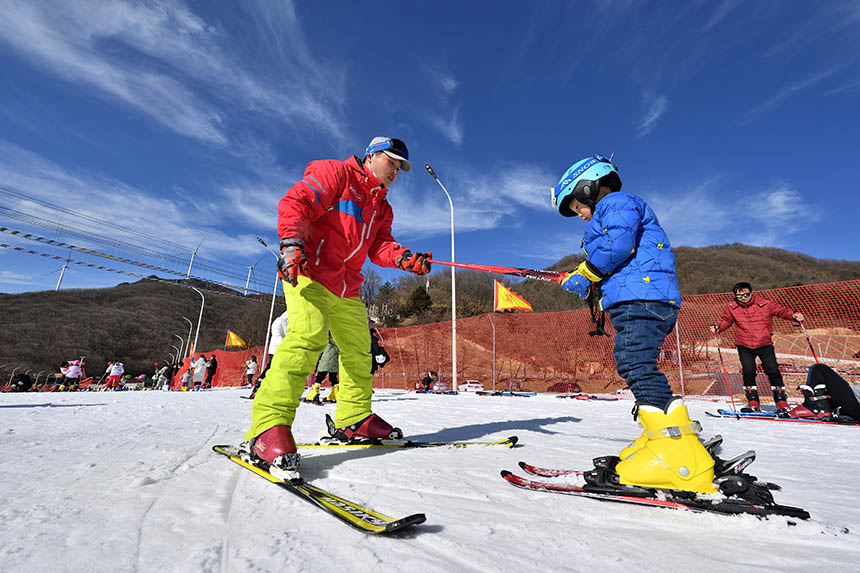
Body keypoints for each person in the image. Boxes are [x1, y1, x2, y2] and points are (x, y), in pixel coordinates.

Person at [241, 135, 431, 479]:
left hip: (347, 287)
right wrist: (292, 243)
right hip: (308, 270)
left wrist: (404, 258)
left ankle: (354, 419)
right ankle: (266, 429)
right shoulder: (336, 174)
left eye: (401, 169)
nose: (395, 173)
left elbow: (380, 247)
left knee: (361, 351)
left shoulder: (382, 208)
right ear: (372, 155)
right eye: (392, 163)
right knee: (307, 338)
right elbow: (295, 203)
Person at [550, 153, 714, 494]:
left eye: (577, 206)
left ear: (589, 186)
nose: (580, 215)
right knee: (635, 361)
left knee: (635, 361)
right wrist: (588, 279)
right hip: (638, 297)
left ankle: (677, 454)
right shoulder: (614, 209)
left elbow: (618, 244)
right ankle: (662, 436)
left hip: (644, 298)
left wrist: (589, 271)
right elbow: (619, 256)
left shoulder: (618, 202)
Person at [709, 282, 803, 414]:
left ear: (751, 292)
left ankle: (781, 401)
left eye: (746, 295)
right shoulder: (732, 307)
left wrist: (793, 316)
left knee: (773, 370)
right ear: (735, 296)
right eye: (739, 296)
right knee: (748, 371)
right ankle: (753, 401)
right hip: (744, 344)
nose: (743, 298)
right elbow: (726, 321)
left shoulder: (765, 303)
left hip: (764, 343)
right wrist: (718, 327)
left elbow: (781, 311)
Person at [251, 311, 289, 399]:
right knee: (271, 368)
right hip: (275, 350)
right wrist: (286, 343)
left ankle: (274, 389)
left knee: (280, 370)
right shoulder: (279, 320)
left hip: (284, 350)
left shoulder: (291, 323)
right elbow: (276, 335)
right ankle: (259, 384)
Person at [304, 336, 339, 404]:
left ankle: (313, 395)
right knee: (333, 379)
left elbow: (321, 350)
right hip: (335, 362)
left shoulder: (327, 340)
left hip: (325, 361)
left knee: (319, 378)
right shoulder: (338, 339)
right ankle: (336, 395)